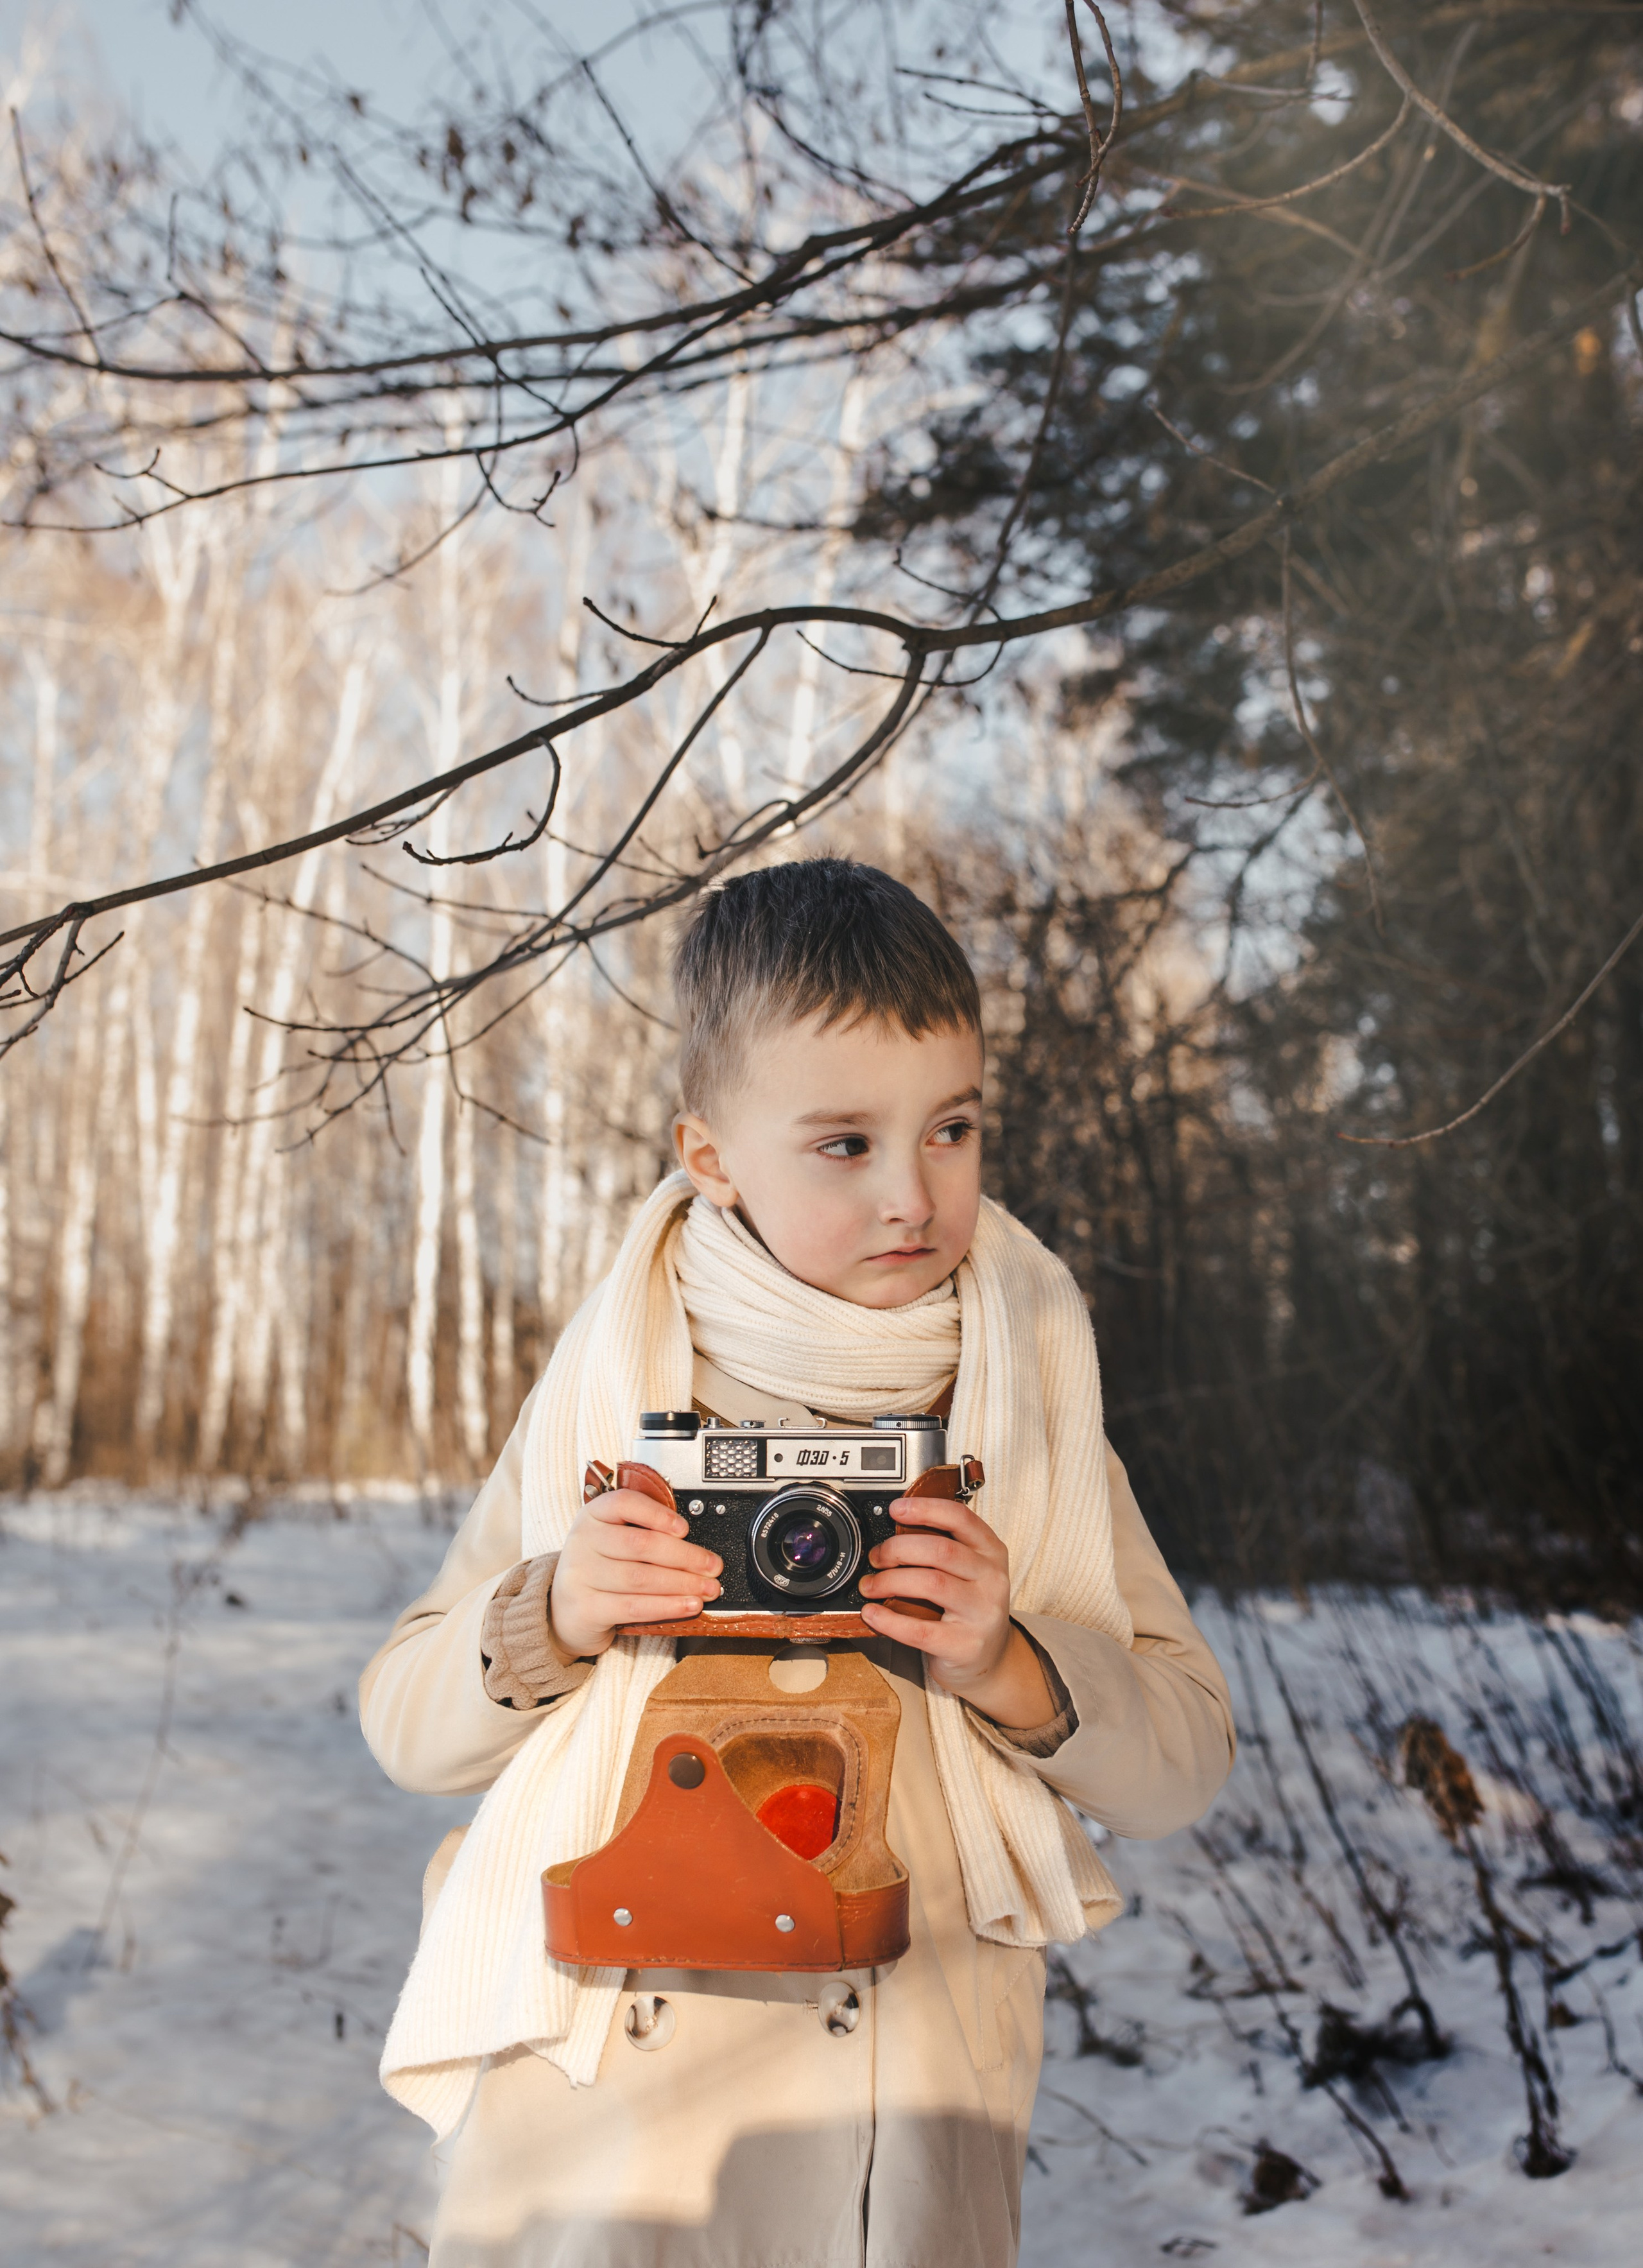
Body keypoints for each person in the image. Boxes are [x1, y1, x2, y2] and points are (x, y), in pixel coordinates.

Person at [361, 856, 1234, 2268]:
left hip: (902, 2098)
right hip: (610, 2125)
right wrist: (555, 1613)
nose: (913, 1195)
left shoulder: (1021, 1404)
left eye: (951, 1129)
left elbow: (1182, 1764)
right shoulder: (613, 1393)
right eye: (843, 1145)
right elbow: (406, 1725)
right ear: (710, 1157)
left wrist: (1010, 1664)